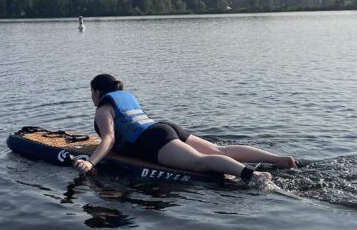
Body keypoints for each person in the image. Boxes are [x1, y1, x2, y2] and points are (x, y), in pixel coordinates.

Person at [74, 74, 297, 186]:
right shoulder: (126, 98)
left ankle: (254, 175)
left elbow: (109, 139)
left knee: (203, 161)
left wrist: (91, 162)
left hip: (153, 140)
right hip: (166, 128)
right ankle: (279, 160)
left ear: (97, 92)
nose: (91, 98)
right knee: (220, 150)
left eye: (91, 93)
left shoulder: (103, 108)